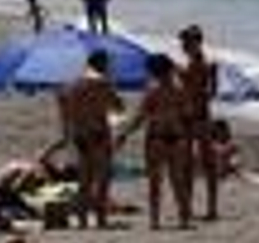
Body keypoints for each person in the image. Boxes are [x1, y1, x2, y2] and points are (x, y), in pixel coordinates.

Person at [114, 53, 194, 230]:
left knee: (155, 182)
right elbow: (188, 115)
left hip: (156, 138)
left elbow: (140, 117)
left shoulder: (153, 90)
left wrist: (124, 134)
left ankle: (155, 220)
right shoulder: (180, 90)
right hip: (176, 137)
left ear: (154, 71)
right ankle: (183, 219)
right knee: (177, 181)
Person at [57, 49, 123, 229]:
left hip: (80, 136)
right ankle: (101, 219)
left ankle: (82, 221)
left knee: (84, 182)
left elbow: (65, 112)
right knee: (102, 180)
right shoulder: (102, 82)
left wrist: (68, 135)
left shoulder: (71, 84)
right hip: (99, 133)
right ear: (102, 63)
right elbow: (118, 106)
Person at [179, 25, 221, 221]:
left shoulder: (197, 65)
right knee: (204, 164)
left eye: (186, 42)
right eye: (183, 42)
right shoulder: (207, 65)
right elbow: (211, 93)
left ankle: (192, 206)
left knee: (193, 164)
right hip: (200, 116)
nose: (183, 46)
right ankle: (208, 207)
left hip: (195, 117)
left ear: (195, 42)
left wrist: (182, 77)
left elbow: (196, 90)